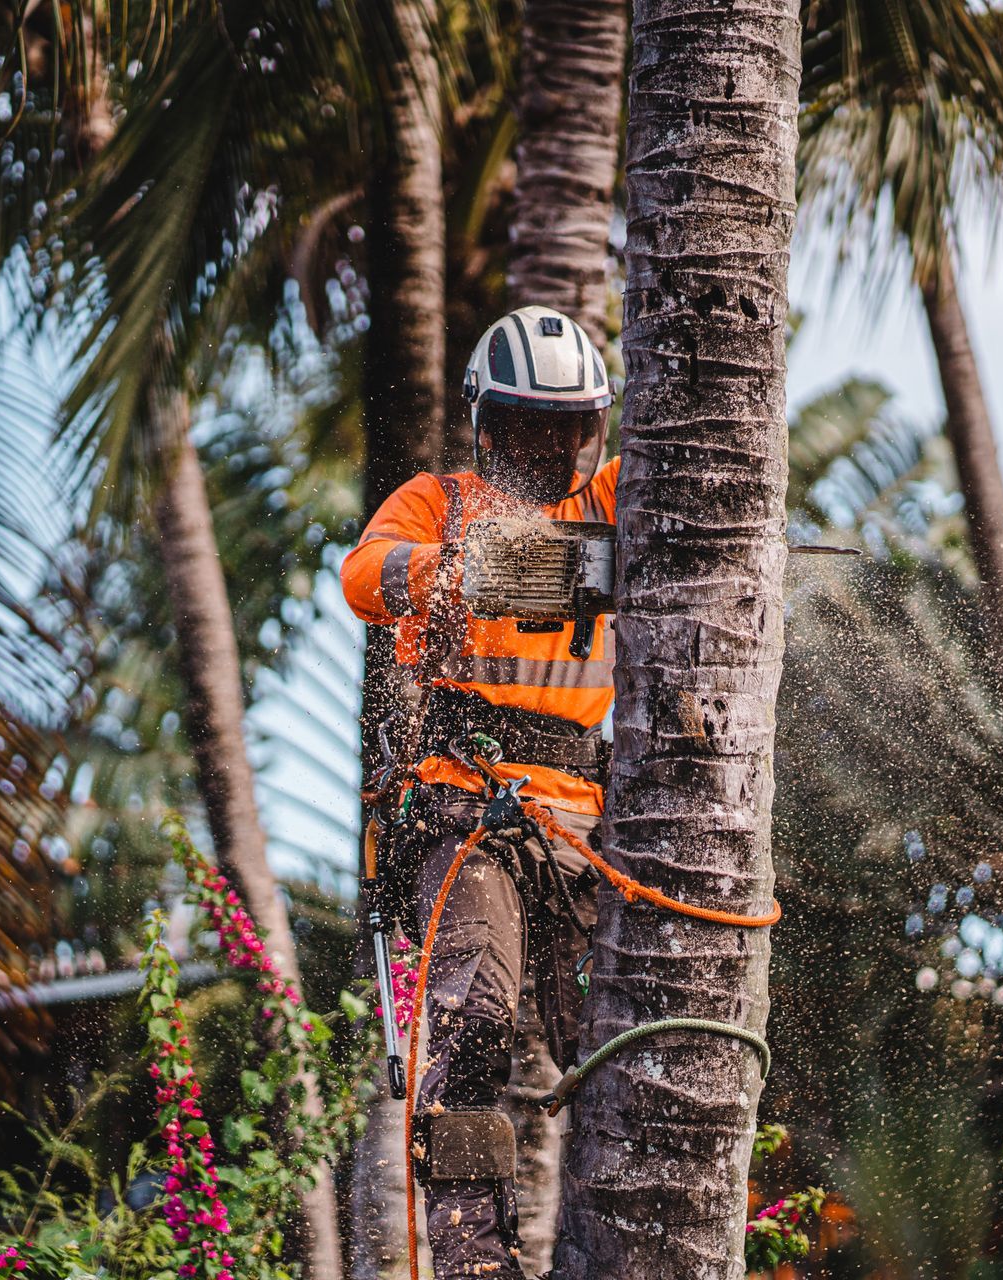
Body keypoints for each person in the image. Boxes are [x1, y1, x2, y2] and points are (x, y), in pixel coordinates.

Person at [342, 304, 616, 1278]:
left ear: (590, 429)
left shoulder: (614, 505)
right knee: (476, 1015)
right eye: (523, 425)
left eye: (565, 425)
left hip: (589, 826)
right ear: (485, 424)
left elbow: (697, 496)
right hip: (471, 814)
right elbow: (365, 572)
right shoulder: (439, 504)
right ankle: (473, 1258)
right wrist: (470, 571)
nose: (545, 445)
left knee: (622, 1034)